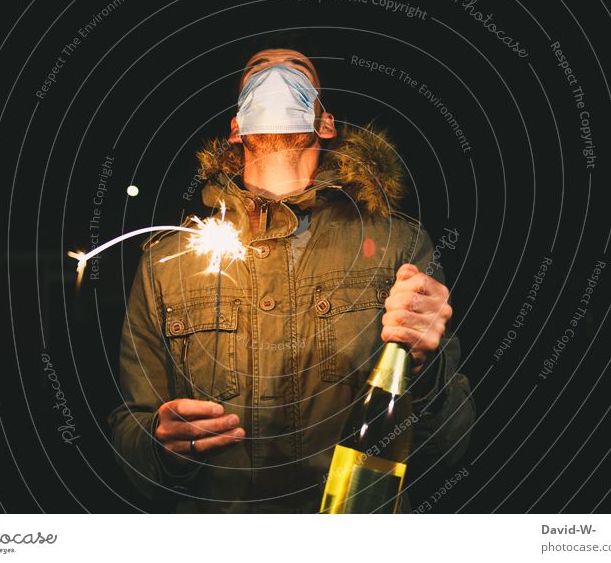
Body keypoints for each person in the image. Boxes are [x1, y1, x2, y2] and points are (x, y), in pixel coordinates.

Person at [107, 47, 476, 513]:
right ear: (238, 126)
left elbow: (449, 445)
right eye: (258, 72)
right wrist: (162, 446)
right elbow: (131, 430)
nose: (277, 76)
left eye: (298, 70)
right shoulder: (167, 261)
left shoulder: (395, 246)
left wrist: (425, 368)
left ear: (325, 123)